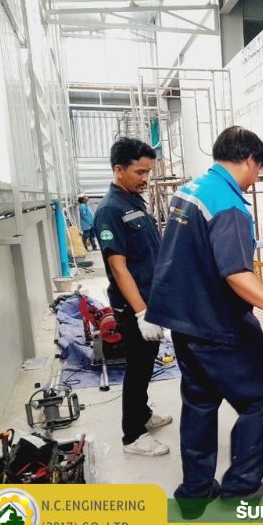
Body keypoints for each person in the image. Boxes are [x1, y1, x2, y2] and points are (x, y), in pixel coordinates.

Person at [146, 126, 263, 518]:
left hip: (184, 320)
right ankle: (240, 492)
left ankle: (194, 493)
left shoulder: (190, 190)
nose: (255, 178)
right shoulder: (228, 205)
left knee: (200, 401)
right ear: (249, 160)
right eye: (258, 170)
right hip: (218, 321)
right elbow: (236, 273)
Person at [93, 138, 172, 457]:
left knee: (147, 362)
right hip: (133, 306)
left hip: (150, 300)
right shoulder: (109, 210)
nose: (145, 179)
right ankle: (133, 436)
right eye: (140, 172)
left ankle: (143, 413)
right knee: (137, 368)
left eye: (148, 172)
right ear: (118, 170)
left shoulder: (134, 202)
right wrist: (140, 313)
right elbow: (118, 267)